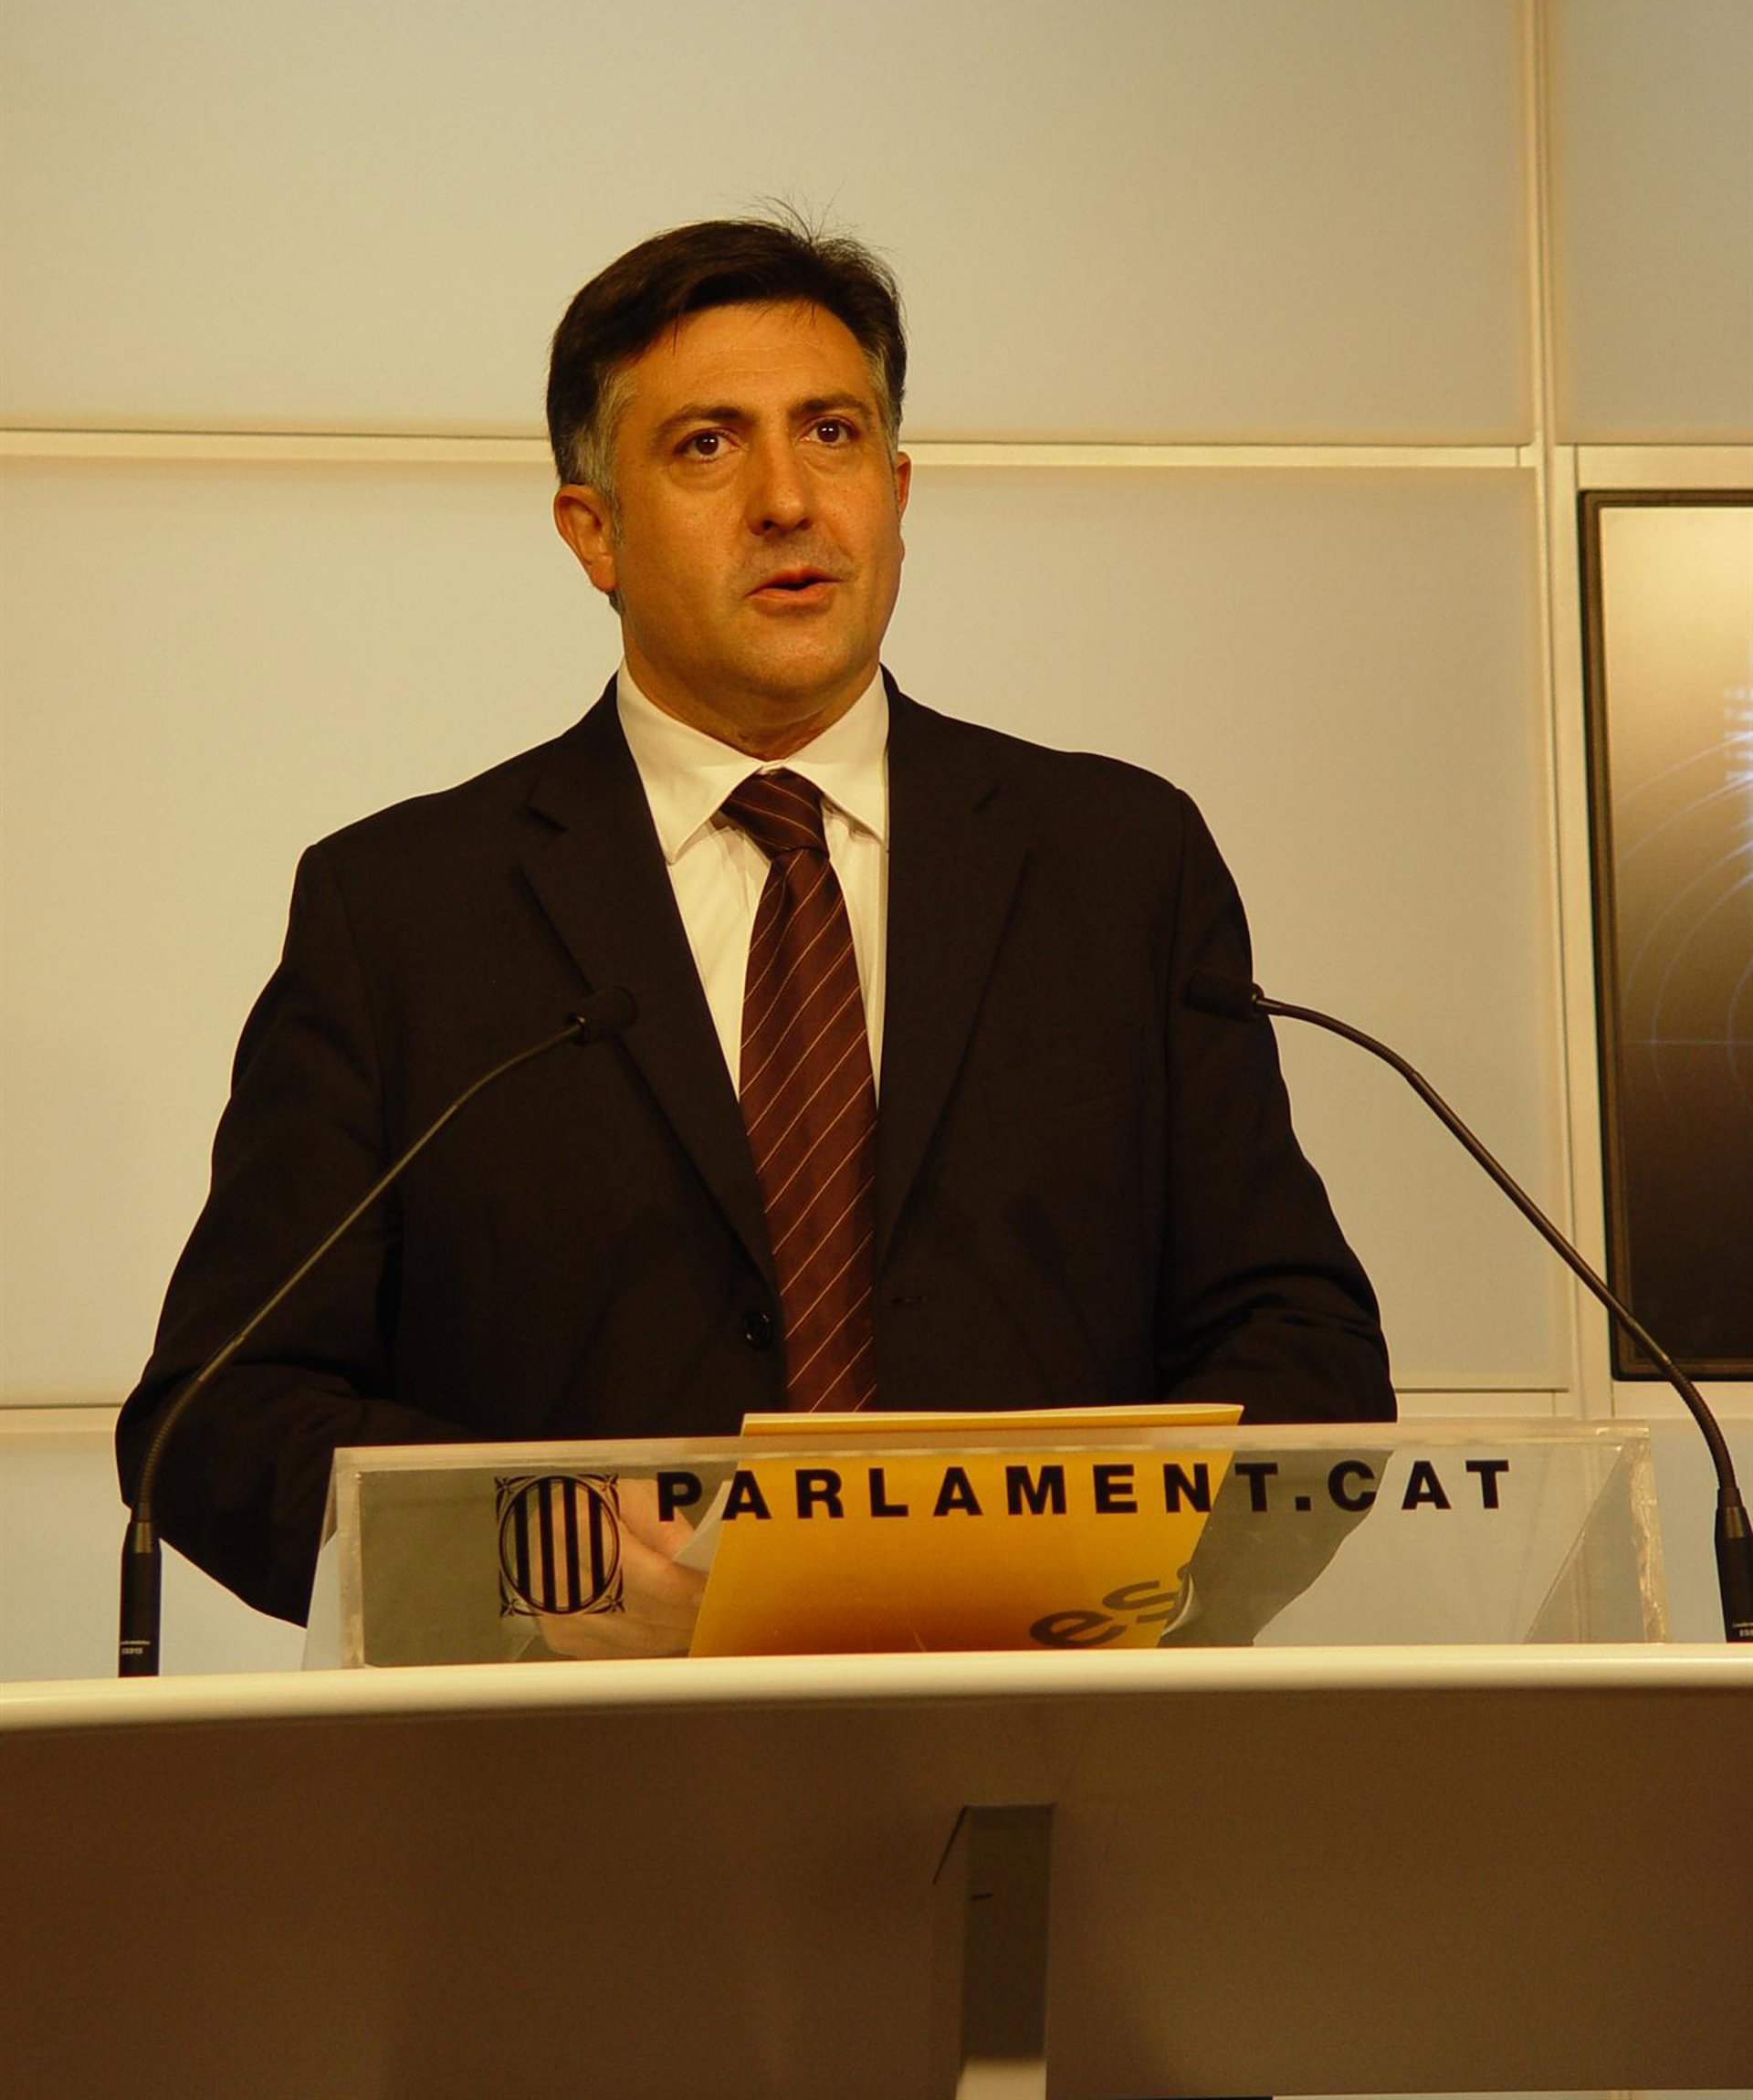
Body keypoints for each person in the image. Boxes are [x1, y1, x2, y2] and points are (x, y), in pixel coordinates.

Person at [116, 216, 1394, 1634]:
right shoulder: (408, 910)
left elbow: (1303, 1350)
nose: (788, 500)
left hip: (1041, 1724)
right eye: (707, 446)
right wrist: (527, 1552)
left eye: (832, 434)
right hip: (573, 1748)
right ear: (592, 530)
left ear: (896, 493)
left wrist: (1120, 1570)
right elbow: (219, 1415)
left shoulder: (1116, 864)